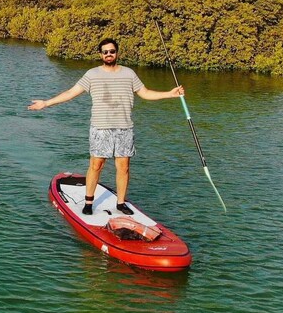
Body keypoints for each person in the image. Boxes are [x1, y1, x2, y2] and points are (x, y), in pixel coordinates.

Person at [28, 38, 184, 215]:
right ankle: (88, 203)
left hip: (124, 128)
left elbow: (146, 94)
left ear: (117, 53)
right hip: (100, 128)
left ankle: (121, 203)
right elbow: (71, 93)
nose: (109, 54)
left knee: (123, 167)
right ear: (100, 54)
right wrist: (46, 103)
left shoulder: (129, 74)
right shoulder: (92, 74)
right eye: (105, 52)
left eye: (112, 51)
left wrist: (170, 94)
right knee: (96, 165)